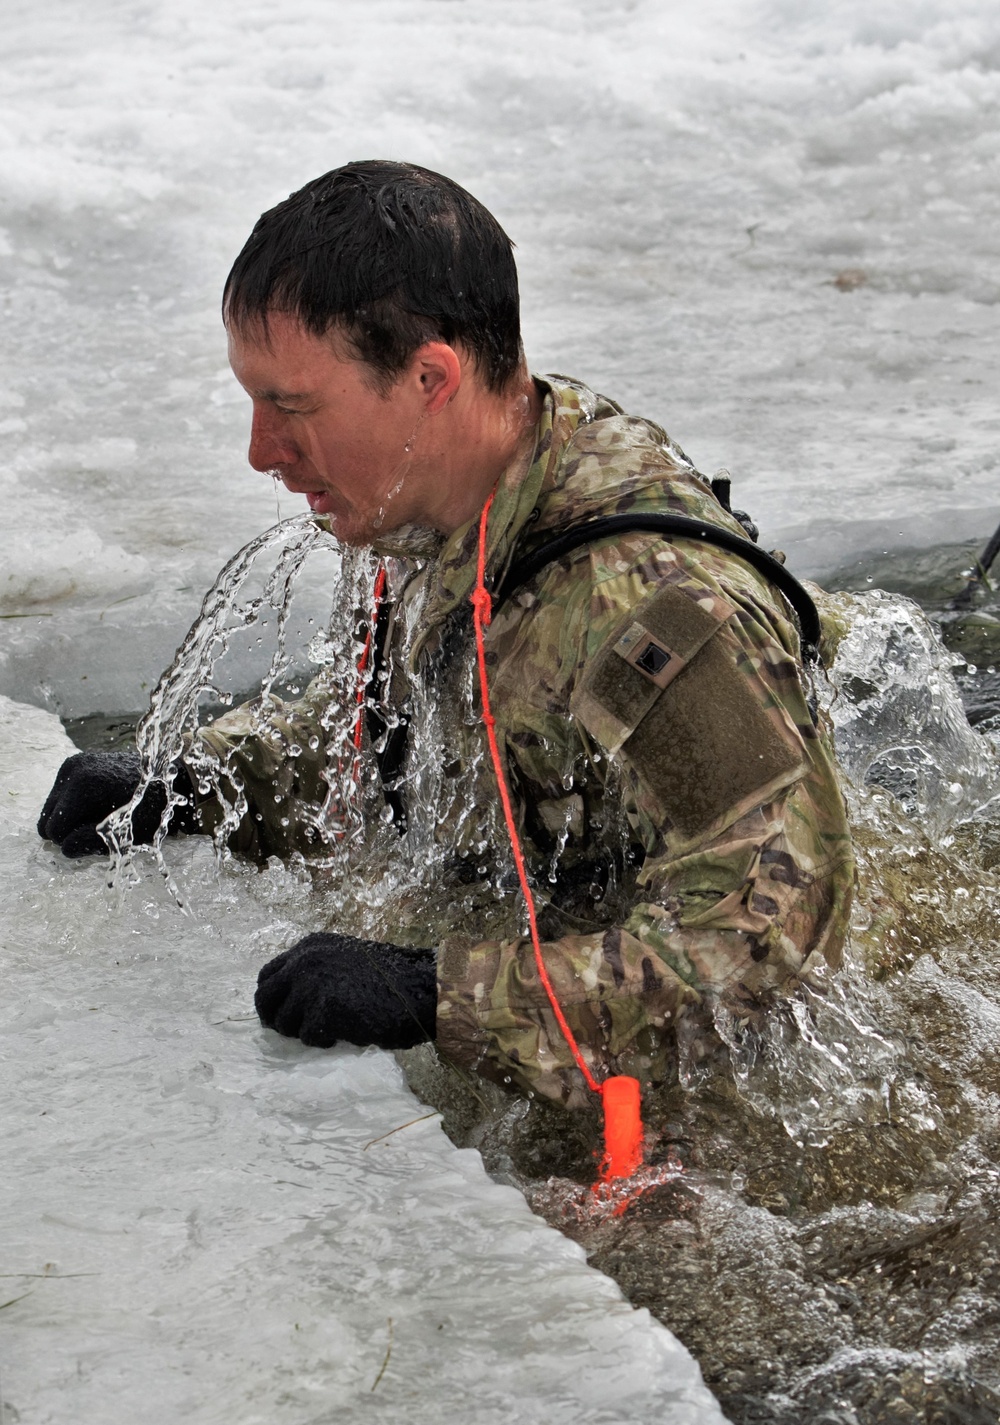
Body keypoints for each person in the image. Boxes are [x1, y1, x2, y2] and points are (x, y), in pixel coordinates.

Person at [38, 160, 855, 1108]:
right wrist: (208, 783)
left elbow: (775, 941)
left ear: (431, 378)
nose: (260, 452)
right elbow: (419, 737)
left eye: (292, 407)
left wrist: (447, 995)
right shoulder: (422, 498)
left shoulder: (648, 614)